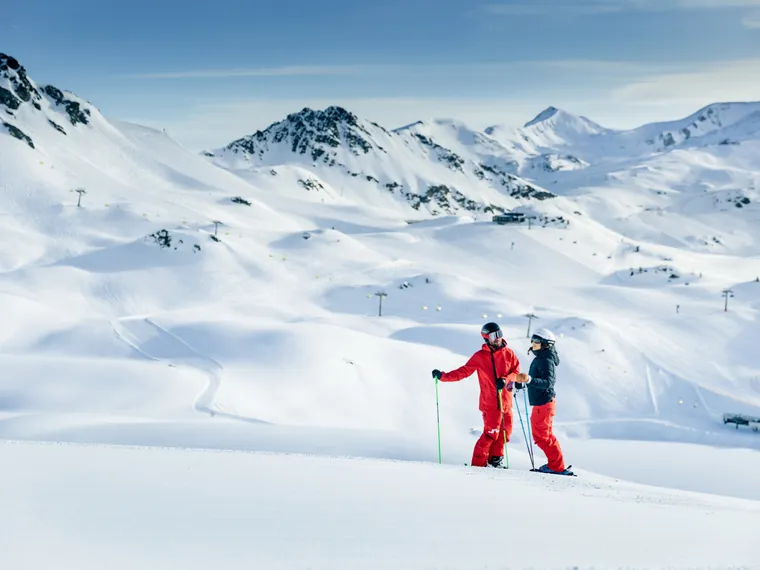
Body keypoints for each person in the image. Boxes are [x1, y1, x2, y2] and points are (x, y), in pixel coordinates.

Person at [432, 322, 525, 468]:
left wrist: (506, 379)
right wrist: (443, 376)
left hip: (506, 402)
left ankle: (495, 462)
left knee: (505, 434)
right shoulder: (480, 357)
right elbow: (463, 372)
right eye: (494, 336)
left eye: (500, 334)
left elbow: (516, 373)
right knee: (490, 434)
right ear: (486, 338)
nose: (498, 338)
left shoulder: (509, 354)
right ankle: (478, 466)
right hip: (490, 404)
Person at [515, 328, 569, 475]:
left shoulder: (546, 360)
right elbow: (534, 380)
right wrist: (520, 382)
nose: (533, 343)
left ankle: (556, 466)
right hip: (543, 403)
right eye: (532, 340)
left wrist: (530, 379)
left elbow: (548, 383)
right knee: (545, 436)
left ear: (546, 344)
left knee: (542, 437)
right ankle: (556, 464)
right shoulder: (541, 358)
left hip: (544, 403)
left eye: (537, 341)